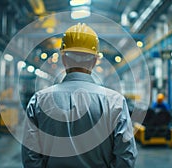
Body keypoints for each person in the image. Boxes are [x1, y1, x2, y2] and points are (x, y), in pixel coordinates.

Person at [22, 23, 137, 168]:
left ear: (63, 59)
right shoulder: (115, 102)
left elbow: (30, 156)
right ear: (95, 61)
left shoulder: (39, 101)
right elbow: (126, 156)